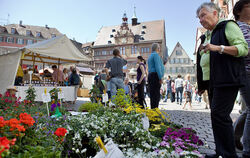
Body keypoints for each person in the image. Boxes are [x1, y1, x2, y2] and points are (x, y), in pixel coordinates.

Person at [196, 2, 248, 158]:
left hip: (227, 78)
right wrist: (202, 84)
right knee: (217, 117)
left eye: (203, 15)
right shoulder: (207, 35)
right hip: (214, 81)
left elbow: (243, 48)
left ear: (215, 14)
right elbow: (205, 63)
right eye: (199, 18)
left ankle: (227, 154)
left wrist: (219, 48)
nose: (201, 20)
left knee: (220, 116)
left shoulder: (228, 26)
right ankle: (221, 152)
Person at [232, 0, 250, 157]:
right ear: (238, 11)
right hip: (245, 72)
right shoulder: (239, 27)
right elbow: (244, 50)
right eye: (248, 6)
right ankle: (247, 150)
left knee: (248, 110)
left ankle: (234, 137)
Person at [147, 43, 164, 109]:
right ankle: (155, 110)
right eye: (159, 47)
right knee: (156, 95)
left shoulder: (150, 56)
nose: (159, 49)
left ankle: (153, 110)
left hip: (151, 75)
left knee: (152, 94)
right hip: (155, 76)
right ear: (157, 48)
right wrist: (160, 77)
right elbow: (158, 67)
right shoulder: (156, 55)